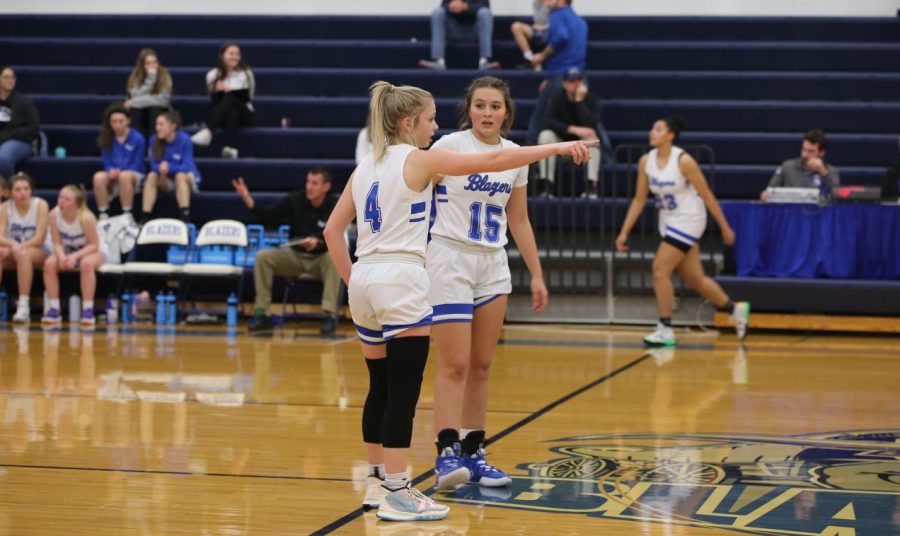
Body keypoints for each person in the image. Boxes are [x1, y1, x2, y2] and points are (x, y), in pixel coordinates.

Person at [323, 80, 594, 521]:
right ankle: (401, 486)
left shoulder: (366, 163)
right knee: (404, 390)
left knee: (383, 385)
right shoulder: (428, 156)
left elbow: (332, 231)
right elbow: (498, 158)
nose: (435, 126)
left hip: (369, 277)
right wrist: (557, 148)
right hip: (412, 271)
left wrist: (354, 281)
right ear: (410, 122)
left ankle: (378, 482)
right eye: (429, 119)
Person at [428, 76, 549, 492]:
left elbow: (519, 219)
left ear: (506, 112)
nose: (487, 113)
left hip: (492, 263)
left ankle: (473, 452)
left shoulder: (517, 155)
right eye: (480, 105)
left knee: (481, 365)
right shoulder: (448, 147)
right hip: (449, 258)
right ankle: (445, 455)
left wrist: (536, 273)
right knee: (455, 364)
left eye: (495, 106)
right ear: (469, 109)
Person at [615, 116, 749, 346]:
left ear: (670, 135)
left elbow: (706, 194)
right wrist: (624, 232)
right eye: (652, 128)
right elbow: (639, 199)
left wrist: (725, 227)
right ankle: (734, 309)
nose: (652, 132)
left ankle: (665, 328)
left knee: (659, 269)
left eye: (658, 129)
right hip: (668, 220)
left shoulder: (683, 160)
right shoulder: (645, 161)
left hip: (690, 218)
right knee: (694, 278)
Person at [231, 168, 341, 334]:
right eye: (308, 182)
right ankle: (263, 314)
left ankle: (330, 315)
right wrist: (247, 197)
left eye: (315, 183)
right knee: (263, 257)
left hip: (321, 258)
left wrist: (317, 241)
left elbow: (338, 231)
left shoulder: (335, 204)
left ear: (326, 186)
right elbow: (268, 215)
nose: (309, 187)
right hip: (295, 257)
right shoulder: (296, 199)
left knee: (335, 260)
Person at [41, 184, 107, 327]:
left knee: (86, 264)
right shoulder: (54, 215)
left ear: (76, 204)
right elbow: (56, 243)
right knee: (49, 264)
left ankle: (88, 310)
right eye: (60, 197)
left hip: (92, 250)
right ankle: (54, 309)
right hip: (69, 250)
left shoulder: (86, 218)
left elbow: (94, 245)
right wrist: (62, 256)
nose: (61, 201)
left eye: (67, 199)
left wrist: (75, 256)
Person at [525, 0, 588, 146]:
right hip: (578, 76)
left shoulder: (557, 16)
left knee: (538, 121)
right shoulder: (580, 22)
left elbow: (561, 36)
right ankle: (608, 159)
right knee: (590, 122)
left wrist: (542, 56)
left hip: (559, 74)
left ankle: (526, 166)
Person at [536, 66, 601, 198]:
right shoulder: (556, 98)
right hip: (561, 146)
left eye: (578, 80)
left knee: (592, 138)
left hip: (581, 147)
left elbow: (591, 124)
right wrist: (572, 129)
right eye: (572, 81)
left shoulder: (592, 100)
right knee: (545, 135)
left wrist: (579, 101)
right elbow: (547, 121)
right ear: (565, 84)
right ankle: (547, 185)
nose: (576, 84)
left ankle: (591, 187)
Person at [191, 43, 256, 159]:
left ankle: (209, 131)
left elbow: (248, 96)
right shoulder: (213, 75)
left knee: (231, 98)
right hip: (223, 114)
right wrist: (218, 91)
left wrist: (228, 92)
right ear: (222, 56)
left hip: (246, 113)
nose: (235, 57)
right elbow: (214, 102)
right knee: (232, 111)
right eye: (231, 54)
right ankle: (231, 148)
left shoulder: (246, 73)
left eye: (237, 54)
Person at [0, 172, 49, 323]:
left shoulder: (40, 204)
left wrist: (19, 247)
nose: (23, 193)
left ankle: (23, 306)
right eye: (18, 190)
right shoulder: (5, 207)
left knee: (24, 255)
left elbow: (40, 238)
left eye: (26, 189)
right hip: (14, 249)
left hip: (39, 250)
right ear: (11, 193)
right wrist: (13, 246)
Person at [141, 110, 201, 223]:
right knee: (152, 175)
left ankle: (185, 217)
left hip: (186, 177)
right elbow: (153, 164)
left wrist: (169, 168)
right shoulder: (153, 140)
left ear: (172, 126)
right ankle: (145, 217)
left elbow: (187, 166)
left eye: (161, 124)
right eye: (156, 124)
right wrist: (160, 168)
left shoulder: (184, 139)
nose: (157, 127)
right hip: (165, 178)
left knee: (180, 176)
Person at [93, 103, 146, 221]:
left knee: (124, 177)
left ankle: (127, 214)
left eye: (120, 121)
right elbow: (106, 161)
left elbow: (137, 164)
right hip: (114, 172)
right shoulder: (105, 137)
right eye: (114, 121)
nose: (117, 124)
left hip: (133, 174)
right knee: (98, 177)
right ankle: (103, 213)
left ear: (128, 121)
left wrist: (119, 172)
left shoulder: (138, 138)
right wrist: (110, 171)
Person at [760, 129, 840, 202]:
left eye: (810, 151)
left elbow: (837, 198)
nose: (805, 155)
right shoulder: (787, 167)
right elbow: (769, 191)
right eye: (803, 149)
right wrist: (766, 196)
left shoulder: (831, 172)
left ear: (821, 153)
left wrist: (823, 173)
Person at [418, 1, 500, 71]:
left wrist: (465, 7)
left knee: (485, 13)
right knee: (438, 12)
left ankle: (484, 61)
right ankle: (438, 61)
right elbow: (443, 6)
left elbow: (484, 5)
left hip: (475, 31)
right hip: (454, 31)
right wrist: (452, 6)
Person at [0, 66, 40, 179]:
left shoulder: (24, 102)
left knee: (3, 157)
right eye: (6, 77)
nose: (10, 80)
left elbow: (33, 129)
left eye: (12, 77)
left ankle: (7, 192)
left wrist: (9, 135)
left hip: (19, 141)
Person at [124, 49, 172, 137]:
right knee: (136, 110)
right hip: (140, 112)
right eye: (148, 63)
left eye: (155, 62)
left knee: (154, 108)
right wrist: (150, 79)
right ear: (142, 65)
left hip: (159, 111)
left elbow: (163, 100)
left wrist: (132, 102)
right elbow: (135, 96)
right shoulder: (135, 77)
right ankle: (135, 143)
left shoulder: (165, 75)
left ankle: (154, 145)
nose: (152, 66)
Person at [511, 0, 550, 70]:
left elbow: (558, 21)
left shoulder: (553, 3)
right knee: (516, 26)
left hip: (550, 32)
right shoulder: (536, 3)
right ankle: (531, 59)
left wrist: (544, 27)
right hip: (538, 30)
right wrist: (539, 27)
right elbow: (537, 21)